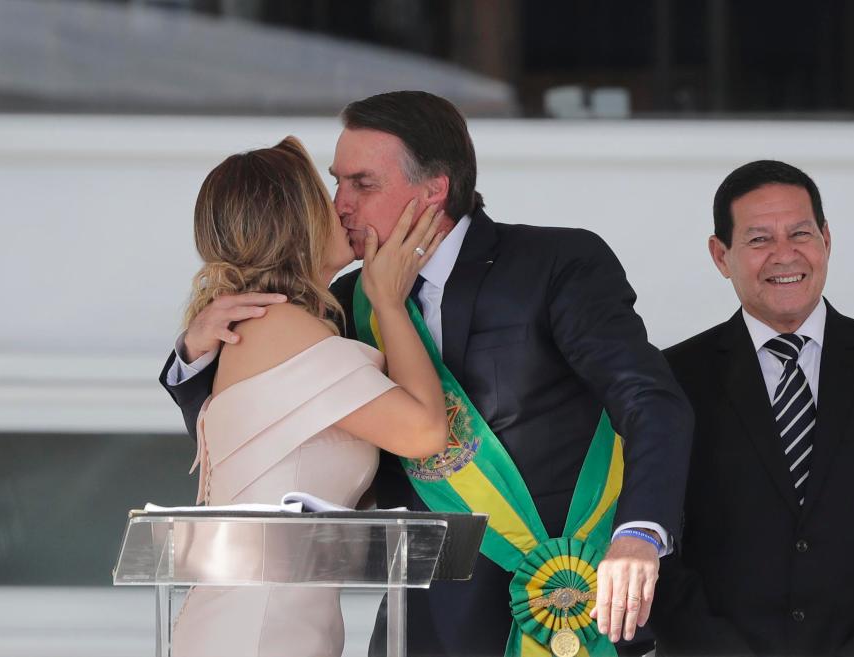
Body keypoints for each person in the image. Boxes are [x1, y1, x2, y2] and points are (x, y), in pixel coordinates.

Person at [162, 91, 694, 656]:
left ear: (434, 188)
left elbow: (649, 402)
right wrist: (194, 358)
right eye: (335, 183)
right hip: (425, 631)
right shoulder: (340, 305)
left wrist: (640, 533)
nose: (340, 204)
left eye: (362, 184)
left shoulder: (554, 264)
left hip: (571, 611)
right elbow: (259, 434)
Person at [165, 136, 450, 657]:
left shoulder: (285, 327)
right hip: (256, 634)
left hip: (275, 629)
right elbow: (426, 431)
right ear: (296, 220)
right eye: (326, 195)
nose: (342, 207)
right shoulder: (278, 327)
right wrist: (388, 302)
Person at [649, 160, 854, 656]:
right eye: (759, 239)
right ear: (721, 255)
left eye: (801, 233)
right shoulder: (670, 379)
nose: (785, 255)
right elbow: (657, 543)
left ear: (826, 239)